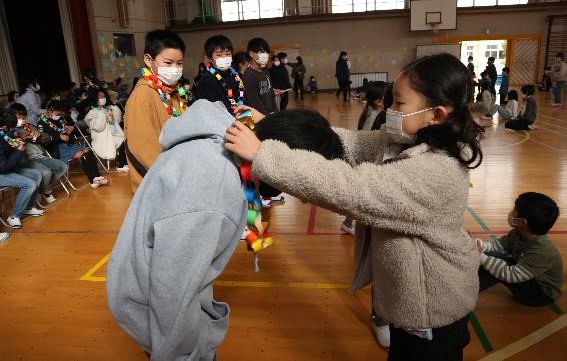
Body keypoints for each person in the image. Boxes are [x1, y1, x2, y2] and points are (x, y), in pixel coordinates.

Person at [226, 53, 484, 360]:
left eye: (399, 104)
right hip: (407, 307)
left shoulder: (437, 173)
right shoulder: (406, 140)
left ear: (437, 114)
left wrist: (264, 154)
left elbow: (350, 187)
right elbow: (349, 143)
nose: (389, 110)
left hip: (432, 313)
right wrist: (274, 126)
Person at [106, 100, 343, 360]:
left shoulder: (223, 138)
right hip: (155, 310)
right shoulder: (213, 193)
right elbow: (172, 291)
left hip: (162, 288)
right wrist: (185, 355)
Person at [124, 29, 188, 192]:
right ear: (148, 60)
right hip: (159, 184)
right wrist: (174, 178)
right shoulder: (143, 96)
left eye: (179, 63)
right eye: (168, 63)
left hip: (181, 175)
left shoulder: (174, 92)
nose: (175, 68)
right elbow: (144, 152)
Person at [476, 192, 563, 306]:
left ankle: (465, 291)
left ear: (522, 222)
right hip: (526, 274)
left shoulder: (541, 251)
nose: (511, 212)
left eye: (514, 210)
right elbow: (499, 246)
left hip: (540, 294)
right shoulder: (519, 232)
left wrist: (480, 257)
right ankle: (466, 284)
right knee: (493, 259)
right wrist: (479, 245)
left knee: (496, 267)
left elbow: (510, 274)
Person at [341, 82, 390, 236]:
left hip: (366, 161)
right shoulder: (372, 116)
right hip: (367, 161)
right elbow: (368, 140)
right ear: (378, 102)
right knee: (363, 196)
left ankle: (348, 223)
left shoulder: (372, 111)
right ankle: (350, 223)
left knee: (363, 195)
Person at [37, 101, 108, 189]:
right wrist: (59, 137)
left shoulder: (61, 119)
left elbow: (67, 131)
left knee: (88, 151)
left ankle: (96, 178)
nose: (59, 116)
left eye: (60, 114)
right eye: (58, 114)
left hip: (67, 145)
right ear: (50, 110)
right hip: (56, 149)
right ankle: (93, 179)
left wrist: (71, 128)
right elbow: (44, 141)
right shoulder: (41, 123)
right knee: (83, 154)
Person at [11, 104, 68, 205]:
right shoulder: (10, 131)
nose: (22, 120)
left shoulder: (29, 126)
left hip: (40, 155)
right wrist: (23, 138)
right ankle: (47, 193)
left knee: (63, 167)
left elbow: (46, 138)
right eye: (19, 117)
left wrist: (37, 137)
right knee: (46, 173)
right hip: (26, 159)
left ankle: (41, 189)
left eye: (23, 118)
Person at [0, 110, 45, 229]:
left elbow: (7, 138)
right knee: (29, 184)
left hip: (6, 169)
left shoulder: (3, 132)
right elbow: (3, 167)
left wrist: (16, 135)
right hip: (2, 172)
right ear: (4, 126)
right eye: (10, 128)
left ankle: (28, 207)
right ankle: (14, 216)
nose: (11, 130)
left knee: (36, 174)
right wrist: (18, 150)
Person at [193, 35, 242, 113]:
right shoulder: (207, 80)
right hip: (222, 122)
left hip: (238, 116)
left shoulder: (233, 75)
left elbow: (239, 97)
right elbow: (210, 110)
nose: (224, 57)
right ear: (210, 58)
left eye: (228, 54)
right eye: (219, 55)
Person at [84, 89, 128, 172]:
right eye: (100, 96)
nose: (103, 98)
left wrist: (113, 111)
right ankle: (120, 165)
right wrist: (101, 113)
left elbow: (114, 123)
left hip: (111, 134)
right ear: (95, 98)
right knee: (122, 140)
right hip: (101, 138)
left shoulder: (108, 109)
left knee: (125, 138)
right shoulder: (92, 112)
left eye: (104, 96)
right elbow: (98, 127)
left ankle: (123, 162)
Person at [242, 38, 277, 115]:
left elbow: (270, 95)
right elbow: (254, 102)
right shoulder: (248, 76)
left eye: (267, 52)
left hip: (271, 114)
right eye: (262, 52)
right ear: (251, 54)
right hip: (260, 117)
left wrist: (275, 113)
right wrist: (266, 118)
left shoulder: (265, 72)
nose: (266, 55)